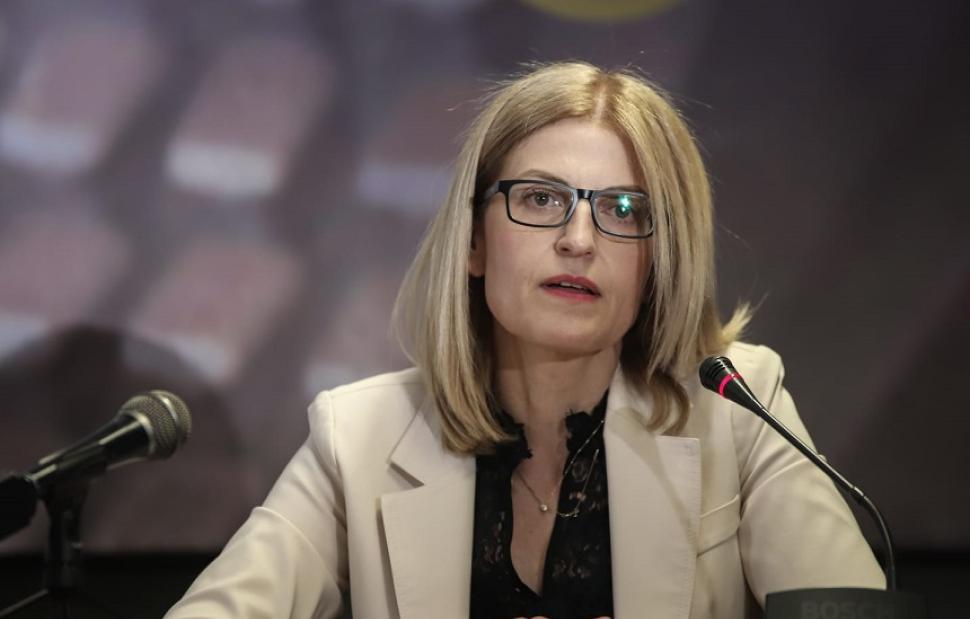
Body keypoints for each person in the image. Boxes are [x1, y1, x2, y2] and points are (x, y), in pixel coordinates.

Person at [165, 61, 884, 619]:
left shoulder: (739, 410)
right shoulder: (358, 435)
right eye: (541, 199)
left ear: (658, 260)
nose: (578, 240)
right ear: (474, 241)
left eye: (622, 209)